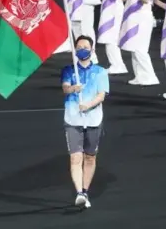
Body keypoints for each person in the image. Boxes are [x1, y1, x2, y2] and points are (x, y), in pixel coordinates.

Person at [60, 35, 109, 209]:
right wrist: (74, 88)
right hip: (73, 119)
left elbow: (101, 95)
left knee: (90, 157)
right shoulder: (68, 70)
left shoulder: (101, 72)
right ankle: (79, 193)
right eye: (79, 46)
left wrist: (88, 105)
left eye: (85, 46)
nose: (82, 49)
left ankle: (85, 189)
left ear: (92, 50)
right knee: (75, 157)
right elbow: (65, 88)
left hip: (93, 120)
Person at [120, 0, 159, 86]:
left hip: (142, 20)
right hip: (133, 19)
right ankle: (139, 76)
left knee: (140, 49)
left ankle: (150, 76)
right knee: (133, 48)